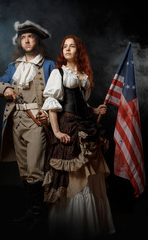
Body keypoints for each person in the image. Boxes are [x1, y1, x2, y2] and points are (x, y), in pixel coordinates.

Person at [42, 35, 115, 239]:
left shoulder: (82, 75)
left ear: (78, 51)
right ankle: (73, 227)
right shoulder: (58, 72)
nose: (67, 49)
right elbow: (53, 105)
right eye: (65, 46)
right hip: (68, 127)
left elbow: (81, 105)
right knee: (74, 177)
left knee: (90, 177)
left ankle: (89, 226)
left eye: (72, 46)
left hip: (85, 126)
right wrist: (56, 132)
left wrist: (94, 110)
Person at [0, 20, 55, 227]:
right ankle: (32, 211)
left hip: (37, 122)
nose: (27, 40)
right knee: (24, 170)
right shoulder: (13, 66)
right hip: (15, 122)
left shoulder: (48, 65)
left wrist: (48, 114)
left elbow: (58, 95)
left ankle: (40, 216)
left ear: (37, 41)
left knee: (35, 169)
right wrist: (6, 89)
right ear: (20, 42)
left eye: (31, 37)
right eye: (23, 38)